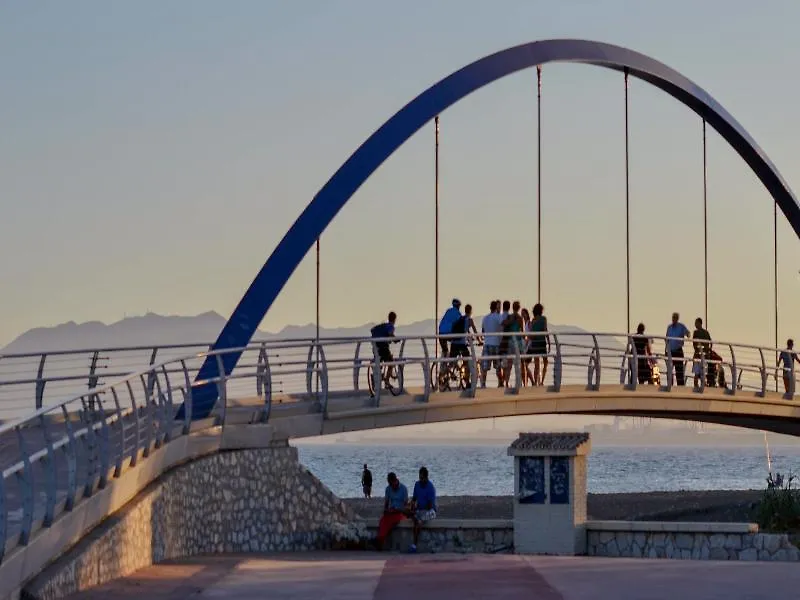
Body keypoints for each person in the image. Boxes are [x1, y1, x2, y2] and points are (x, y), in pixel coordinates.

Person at [376, 472, 410, 549]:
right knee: (383, 520)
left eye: (392, 484)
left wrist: (399, 510)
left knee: (389, 521)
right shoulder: (388, 489)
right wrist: (385, 510)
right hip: (392, 511)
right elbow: (387, 503)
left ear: (395, 481)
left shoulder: (403, 489)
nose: (391, 486)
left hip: (400, 512)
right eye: (390, 484)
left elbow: (406, 505)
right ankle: (380, 539)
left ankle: (380, 540)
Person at [409, 466, 437, 553]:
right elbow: (414, 498)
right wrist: (412, 505)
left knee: (419, 521)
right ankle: (416, 521)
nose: (420, 479)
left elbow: (429, 505)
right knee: (410, 514)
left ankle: (414, 545)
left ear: (426, 477)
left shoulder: (430, 487)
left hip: (430, 510)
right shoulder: (417, 485)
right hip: (420, 509)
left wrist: (418, 509)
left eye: (422, 478)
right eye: (419, 477)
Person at [501, 301, 524, 387]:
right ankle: (519, 382)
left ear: (512, 307)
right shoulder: (520, 318)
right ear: (518, 308)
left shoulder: (509, 317)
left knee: (509, 364)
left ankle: (506, 382)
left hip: (510, 341)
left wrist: (510, 321)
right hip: (517, 341)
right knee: (518, 363)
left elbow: (503, 324)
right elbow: (522, 331)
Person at [481, 301, 503, 388]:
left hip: (487, 344)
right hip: (497, 344)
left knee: (484, 366)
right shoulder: (498, 317)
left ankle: (483, 384)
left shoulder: (485, 318)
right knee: (498, 366)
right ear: (496, 308)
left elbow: (483, 331)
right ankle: (500, 383)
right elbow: (502, 328)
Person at [665, 312, 690, 386]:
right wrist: (666, 350)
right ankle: (670, 385)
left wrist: (688, 334)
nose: (674, 319)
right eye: (673, 317)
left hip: (678, 350)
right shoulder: (669, 327)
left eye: (675, 317)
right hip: (670, 351)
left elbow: (687, 333)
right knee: (669, 369)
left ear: (677, 318)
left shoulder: (681, 326)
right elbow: (667, 339)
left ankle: (680, 386)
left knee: (679, 370)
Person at [370, 312, 398, 377]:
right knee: (391, 363)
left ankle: (376, 376)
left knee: (379, 362)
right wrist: (396, 339)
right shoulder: (390, 326)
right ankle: (387, 381)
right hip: (383, 348)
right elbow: (390, 334)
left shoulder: (383, 326)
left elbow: (372, 330)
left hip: (376, 347)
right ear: (394, 319)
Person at [529, 303, 550, 386]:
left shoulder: (533, 320)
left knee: (536, 364)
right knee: (545, 362)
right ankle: (541, 381)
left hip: (535, 343)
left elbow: (531, 333)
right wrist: (548, 341)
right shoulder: (543, 319)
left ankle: (535, 382)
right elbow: (545, 330)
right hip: (541, 342)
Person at [692, 318, 712, 388]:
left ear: (699, 323)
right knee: (703, 373)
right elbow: (710, 342)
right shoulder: (706, 332)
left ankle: (696, 386)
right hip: (705, 356)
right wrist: (708, 350)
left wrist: (697, 350)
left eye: (696, 323)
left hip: (698, 355)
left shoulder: (696, 332)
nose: (695, 324)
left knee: (696, 373)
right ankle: (702, 386)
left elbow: (694, 343)